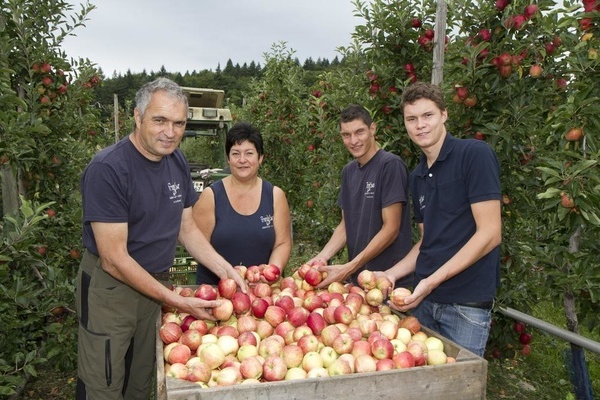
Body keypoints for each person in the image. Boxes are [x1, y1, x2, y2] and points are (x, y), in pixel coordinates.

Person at [76, 77, 247, 400]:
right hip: (111, 289)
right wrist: (178, 301)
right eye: (160, 120)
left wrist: (226, 270)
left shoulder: (176, 162)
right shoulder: (109, 169)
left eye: (179, 123)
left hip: (155, 284)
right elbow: (113, 258)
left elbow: (187, 228)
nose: (170, 132)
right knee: (104, 379)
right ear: (138, 117)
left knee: (142, 379)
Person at [379, 82, 502, 357]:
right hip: (425, 301)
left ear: (444, 115)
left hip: (465, 305)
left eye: (428, 115)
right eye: (411, 119)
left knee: (460, 388)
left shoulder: (474, 155)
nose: (420, 125)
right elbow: (426, 242)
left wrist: (431, 281)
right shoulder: (417, 176)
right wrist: (392, 273)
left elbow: (490, 233)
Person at [309, 104, 413, 289]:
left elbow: (391, 228)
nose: (353, 140)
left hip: (387, 280)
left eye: (359, 132)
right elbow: (345, 225)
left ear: (372, 129)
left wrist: (350, 266)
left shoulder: (390, 165)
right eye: (346, 135)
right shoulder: (349, 172)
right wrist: (322, 257)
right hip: (359, 281)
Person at [192, 121, 292, 284]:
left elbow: (282, 243)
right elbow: (198, 246)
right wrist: (227, 275)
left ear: (260, 158)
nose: (242, 160)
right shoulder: (211, 197)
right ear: (228, 159)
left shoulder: (274, 196)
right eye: (236, 153)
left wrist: (270, 274)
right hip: (216, 293)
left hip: (262, 296)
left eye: (249, 153)